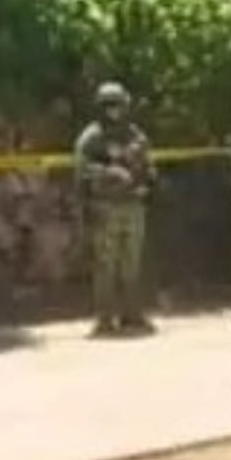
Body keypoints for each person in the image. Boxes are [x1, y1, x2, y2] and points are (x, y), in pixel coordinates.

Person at [75, 82, 157, 338]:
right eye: (109, 106)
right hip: (106, 206)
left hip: (132, 205)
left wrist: (146, 183)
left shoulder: (135, 135)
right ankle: (104, 317)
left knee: (131, 262)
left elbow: (148, 166)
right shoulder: (92, 137)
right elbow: (83, 170)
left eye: (119, 105)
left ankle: (132, 313)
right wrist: (110, 173)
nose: (115, 111)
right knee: (106, 264)